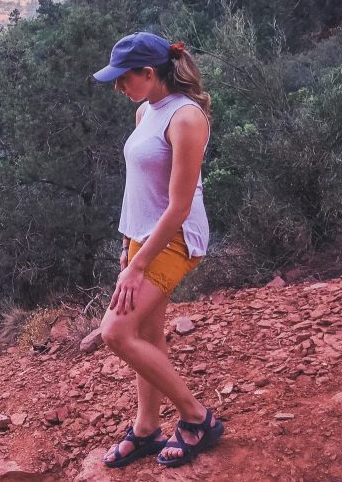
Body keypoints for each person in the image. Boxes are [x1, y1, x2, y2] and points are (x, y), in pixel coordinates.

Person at [90, 32, 224, 469]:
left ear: (150, 73)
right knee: (147, 332)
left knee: (115, 333)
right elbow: (141, 188)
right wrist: (129, 246)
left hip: (176, 238)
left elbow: (180, 206)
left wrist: (139, 264)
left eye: (124, 78)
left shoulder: (186, 118)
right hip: (141, 235)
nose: (118, 87)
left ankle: (196, 418)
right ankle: (147, 428)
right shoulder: (145, 111)